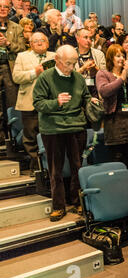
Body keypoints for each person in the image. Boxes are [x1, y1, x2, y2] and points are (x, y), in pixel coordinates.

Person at [33, 45, 96, 221]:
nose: (72, 67)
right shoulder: (45, 77)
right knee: (56, 170)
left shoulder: (77, 77)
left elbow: (84, 96)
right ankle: (58, 206)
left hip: (76, 126)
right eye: (68, 63)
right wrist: (56, 102)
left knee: (77, 167)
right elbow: (37, 103)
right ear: (57, 61)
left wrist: (92, 100)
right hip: (53, 128)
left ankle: (77, 201)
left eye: (74, 63)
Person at [13, 32, 56, 176]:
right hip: (29, 102)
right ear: (30, 44)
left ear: (48, 43)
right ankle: (36, 165)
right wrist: (34, 72)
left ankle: (51, 165)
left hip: (51, 103)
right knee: (31, 135)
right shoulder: (22, 56)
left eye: (42, 40)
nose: (39, 43)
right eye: (35, 41)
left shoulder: (54, 56)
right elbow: (16, 77)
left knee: (51, 135)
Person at [96, 44, 128, 166]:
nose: (122, 58)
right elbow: (104, 91)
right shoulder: (103, 73)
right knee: (117, 159)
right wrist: (121, 78)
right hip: (114, 121)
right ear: (110, 58)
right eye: (118, 56)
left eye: (123, 56)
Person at [0, 0, 26, 146]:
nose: (3, 9)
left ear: (10, 9)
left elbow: (22, 48)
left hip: (10, 69)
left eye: (6, 7)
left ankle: (14, 139)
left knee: (12, 103)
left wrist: (8, 44)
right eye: (0, 7)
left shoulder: (16, 28)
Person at [75, 28, 106, 99]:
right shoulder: (71, 54)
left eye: (90, 38)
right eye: (85, 37)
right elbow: (68, 77)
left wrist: (95, 69)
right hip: (77, 94)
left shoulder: (99, 54)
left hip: (95, 94)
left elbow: (104, 77)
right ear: (78, 39)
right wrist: (83, 68)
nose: (89, 40)